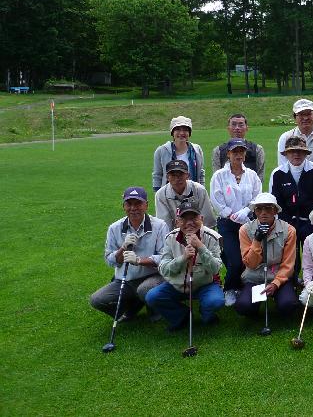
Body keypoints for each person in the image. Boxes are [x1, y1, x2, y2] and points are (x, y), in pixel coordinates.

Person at [146, 199, 225, 331]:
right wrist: (182, 258)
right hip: (178, 285)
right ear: (177, 222)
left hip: (204, 284)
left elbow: (216, 268)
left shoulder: (212, 237)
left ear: (201, 219)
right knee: (152, 296)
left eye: (194, 217)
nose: (189, 223)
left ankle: (206, 315)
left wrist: (201, 247)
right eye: (184, 219)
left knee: (215, 301)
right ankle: (181, 316)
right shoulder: (170, 238)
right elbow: (164, 269)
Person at [90, 187, 166, 321]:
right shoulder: (114, 228)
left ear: (146, 205)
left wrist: (139, 260)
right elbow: (109, 260)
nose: (133, 208)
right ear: (123, 206)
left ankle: (154, 309)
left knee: (144, 290)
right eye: (129, 204)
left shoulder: (159, 225)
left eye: (138, 203)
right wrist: (122, 248)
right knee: (97, 300)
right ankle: (134, 305)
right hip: (125, 280)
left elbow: (165, 257)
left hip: (153, 277)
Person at [210, 138, 262, 307]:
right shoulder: (219, 175)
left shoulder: (252, 175)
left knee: (251, 258)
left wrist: (246, 211)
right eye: (235, 152)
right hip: (227, 223)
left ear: (245, 154)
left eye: (241, 152)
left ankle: (243, 286)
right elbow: (216, 198)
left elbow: (256, 196)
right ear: (228, 154)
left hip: (248, 222)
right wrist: (230, 214)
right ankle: (229, 288)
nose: (238, 155)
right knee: (234, 260)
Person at [234, 193, 299, 318]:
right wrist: (257, 240)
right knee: (244, 307)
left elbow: (288, 264)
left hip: (279, 278)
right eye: (259, 208)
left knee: (288, 305)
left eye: (268, 208)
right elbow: (251, 264)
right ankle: (254, 301)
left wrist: (275, 284)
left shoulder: (289, 230)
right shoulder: (245, 230)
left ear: (275, 210)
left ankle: (280, 296)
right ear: (255, 211)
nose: (263, 212)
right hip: (255, 277)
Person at [269, 137, 313, 247]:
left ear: (305, 153)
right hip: (286, 224)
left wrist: (312, 223)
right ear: (286, 154)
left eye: (300, 151)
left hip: (310, 224)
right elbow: (275, 203)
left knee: (312, 259)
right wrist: (286, 225)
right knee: (291, 261)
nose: (296, 154)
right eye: (292, 151)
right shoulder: (277, 174)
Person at [154, 160, 215, 231]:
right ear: (167, 177)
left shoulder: (199, 190)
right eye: (173, 175)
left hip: (199, 232)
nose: (177, 179)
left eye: (180, 174)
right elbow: (165, 225)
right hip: (174, 236)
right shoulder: (161, 195)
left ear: (187, 175)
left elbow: (208, 220)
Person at [277, 98, 313, 173]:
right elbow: (283, 167)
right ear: (295, 117)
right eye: (301, 114)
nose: (305, 118)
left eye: (308, 114)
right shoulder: (285, 138)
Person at [152, 116, 204, 191]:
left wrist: (202, 191)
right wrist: (158, 196)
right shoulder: (161, 151)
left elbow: (201, 174)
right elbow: (157, 175)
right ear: (172, 132)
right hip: (169, 196)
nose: (182, 133)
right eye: (178, 129)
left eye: (185, 130)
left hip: (193, 194)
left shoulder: (196, 150)